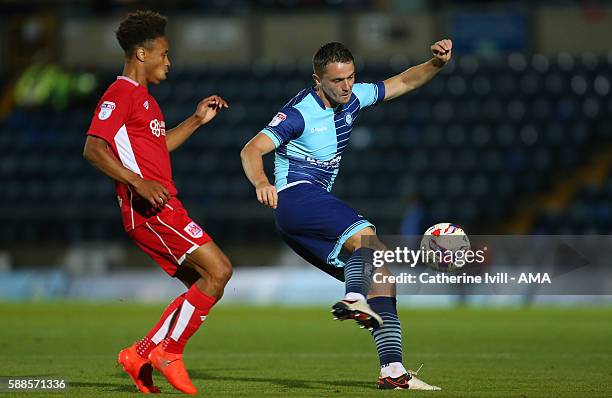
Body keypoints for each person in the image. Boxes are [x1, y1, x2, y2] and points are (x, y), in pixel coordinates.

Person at [241, 40, 452, 390]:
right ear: (317, 79)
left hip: (298, 219)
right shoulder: (298, 113)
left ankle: (393, 371)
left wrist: (436, 63)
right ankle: (354, 298)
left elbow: (403, 81)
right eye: (337, 80)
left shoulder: (353, 96)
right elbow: (251, 149)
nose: (346, 86)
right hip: (296, 197)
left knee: (381, 273)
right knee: (368, 238)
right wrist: (262, 181)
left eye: (351, 78)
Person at [83, 10, 232, 395]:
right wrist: (136, 182)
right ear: (140, 54)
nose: (169, 61)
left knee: (204, 284)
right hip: (150, 210)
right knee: (219, 271)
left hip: (164, 206)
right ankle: (168, 353)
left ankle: (141, 353)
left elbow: (157, 149)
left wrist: (197, 120)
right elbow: (93, 147)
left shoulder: (145, 100)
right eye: (164, 53)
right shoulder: (119, 94)